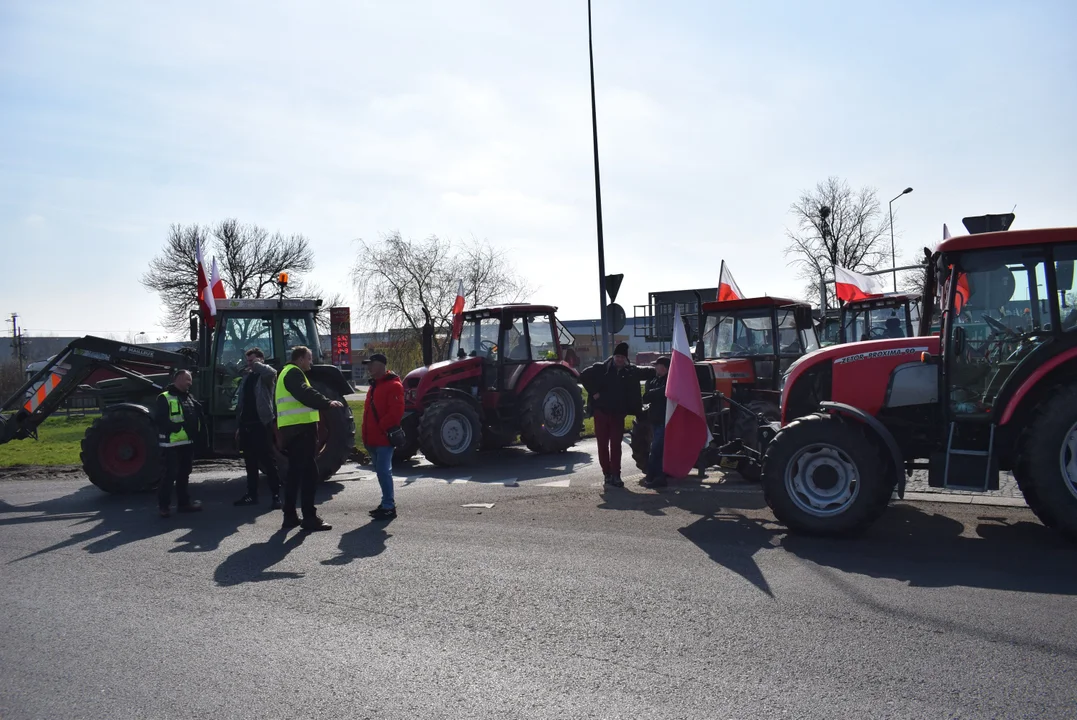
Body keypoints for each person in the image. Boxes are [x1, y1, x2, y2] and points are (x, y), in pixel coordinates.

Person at [275, 345, 344, 532]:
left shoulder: (286, 373)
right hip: (301, 430)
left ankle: (290, 515)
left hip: (294, 430)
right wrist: (326, 402)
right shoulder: (293, 373)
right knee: (309, 474)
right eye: (309, 358)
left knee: (295, 474)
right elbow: (304, 392)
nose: (311, 362)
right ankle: (309, 518)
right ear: (300, 359)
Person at [579, 341, 655, 487]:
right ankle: (607, 474)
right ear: (614, 356)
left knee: (616, 445)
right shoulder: (601, 368)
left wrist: (663, 367)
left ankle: (616, 475)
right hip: (601, 412)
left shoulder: (630, 371)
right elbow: (583, 376)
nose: (620, 359)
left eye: (622, 357)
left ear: (626, 359)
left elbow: (647, 372)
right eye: (618, 356)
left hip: (618, 414)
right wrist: (594, 392)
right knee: (602, 445)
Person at [233, 347, 281, 508]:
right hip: (246, 425)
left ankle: (276, 495)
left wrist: (257, 365)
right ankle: (251, 495)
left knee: (268, 461)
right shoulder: (247, 377)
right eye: (248, 361)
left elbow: (271, 372)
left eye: (252, 360)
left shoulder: (265, 376)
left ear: (260, 360)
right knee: (250, 462)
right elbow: (243, 402)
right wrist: (239, 426)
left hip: (261, 424)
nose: (249, 364)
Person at [362, 353, 405, 520]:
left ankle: (389, 505)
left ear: (380, 365)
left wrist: (380, 428)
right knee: (381, 473)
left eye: (371, 364)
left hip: (383, 439)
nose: (369, 367)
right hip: (372, 439)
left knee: (383, 472)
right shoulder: (374, 386)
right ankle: (386, 502)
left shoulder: (394, 385)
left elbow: (396, 413)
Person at [155, 369, 203, 518]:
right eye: (188, 379)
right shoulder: (164, 397)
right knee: (169, 475)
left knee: (184, 474)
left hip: (186, 443)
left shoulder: (188, 397)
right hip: (171, 444)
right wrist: (175, 428)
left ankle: (184, 504)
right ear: (179, 379)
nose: (190, 382)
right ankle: (164, 507)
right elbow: (160, 419)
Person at [641, 356, 670, 488]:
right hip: (655, 419)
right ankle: (656, 475)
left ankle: (654, 476)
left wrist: (654, 394)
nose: (655, 368)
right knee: (657, 448)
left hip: (665, 419)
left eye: (656, 365)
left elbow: (666, 392)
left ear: (663, 367)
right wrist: (655, 393)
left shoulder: (670, 381)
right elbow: (646, 397)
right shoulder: (653, 380)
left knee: (656, 448)